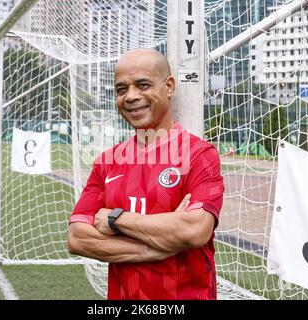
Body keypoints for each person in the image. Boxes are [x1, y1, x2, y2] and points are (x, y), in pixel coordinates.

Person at [67, 48, 224, 300]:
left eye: (143, 85)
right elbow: (77, 238)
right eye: (121, 89)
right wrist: (153, 249)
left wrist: (114, 220)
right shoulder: (106, 162)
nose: (130, 97)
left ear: (169, 86)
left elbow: (194, 230)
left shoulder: (199, 155)